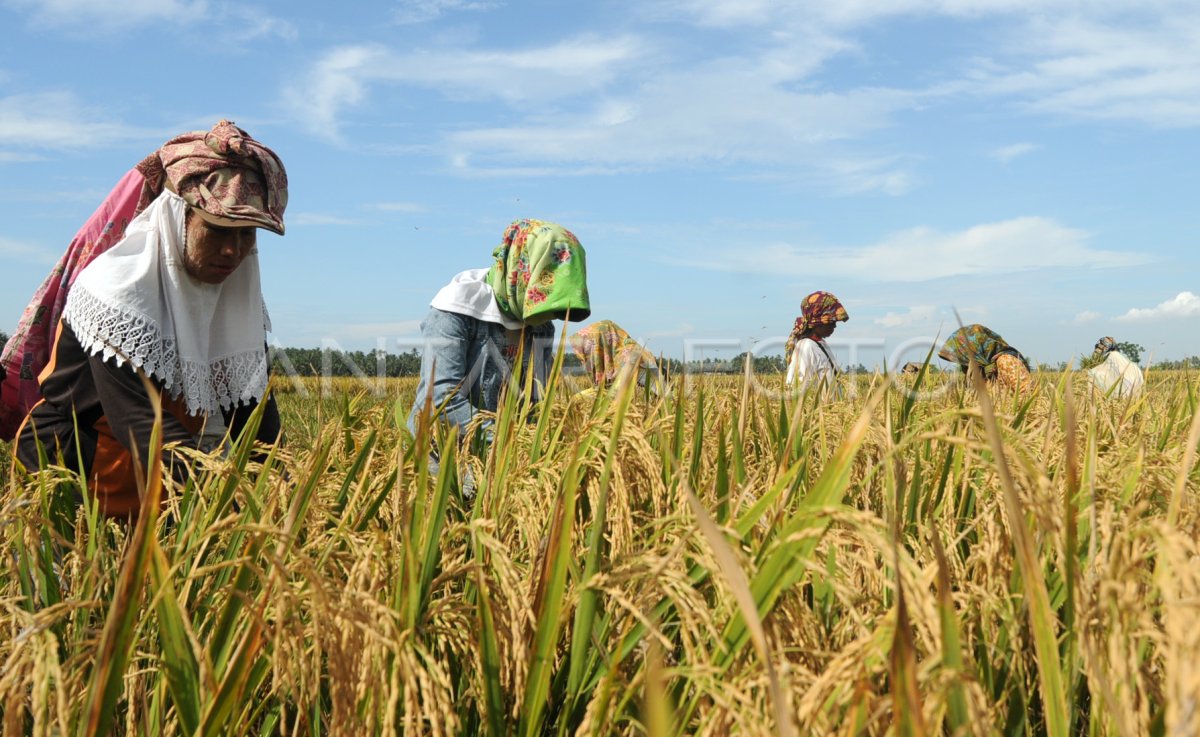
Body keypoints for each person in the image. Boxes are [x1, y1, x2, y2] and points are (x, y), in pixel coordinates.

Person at [11, 120, 288, 518]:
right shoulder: (115, 292)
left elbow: (254, 416)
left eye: (247, 235)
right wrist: (231, 491)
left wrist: (289, 492)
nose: (233, 251)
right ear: (178, 219)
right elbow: (139, 422)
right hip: (73, 473)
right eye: (217, 230)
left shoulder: (235, 302)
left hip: (164, 477)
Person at [408, 218, 590, 446]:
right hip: (440, 450)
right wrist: (514, 440)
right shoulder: (455, 311)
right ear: (523, 272)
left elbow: (537, 399)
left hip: (504, 450)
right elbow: (441, 401)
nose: (552, 315)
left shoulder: (541, 326)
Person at [568, 320, 663, 397]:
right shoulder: (620, 355)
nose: (584, 362)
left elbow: (613, 395)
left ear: (599, 344)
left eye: (587, 352)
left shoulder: (629, 358)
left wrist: (577, 397)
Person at [784, 291, 848, 394]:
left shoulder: (822, 344)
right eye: (831, 322)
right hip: (820, 409)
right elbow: (797, 385)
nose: (834, 326)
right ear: (816, 322)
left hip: (830, 409)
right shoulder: (806, 346)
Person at [938, 324, 1033, 392]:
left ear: (974, 348)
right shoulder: (975, 369)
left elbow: (1028, 394)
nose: (961, 359)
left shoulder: (1006, 361)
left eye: (962, 353)